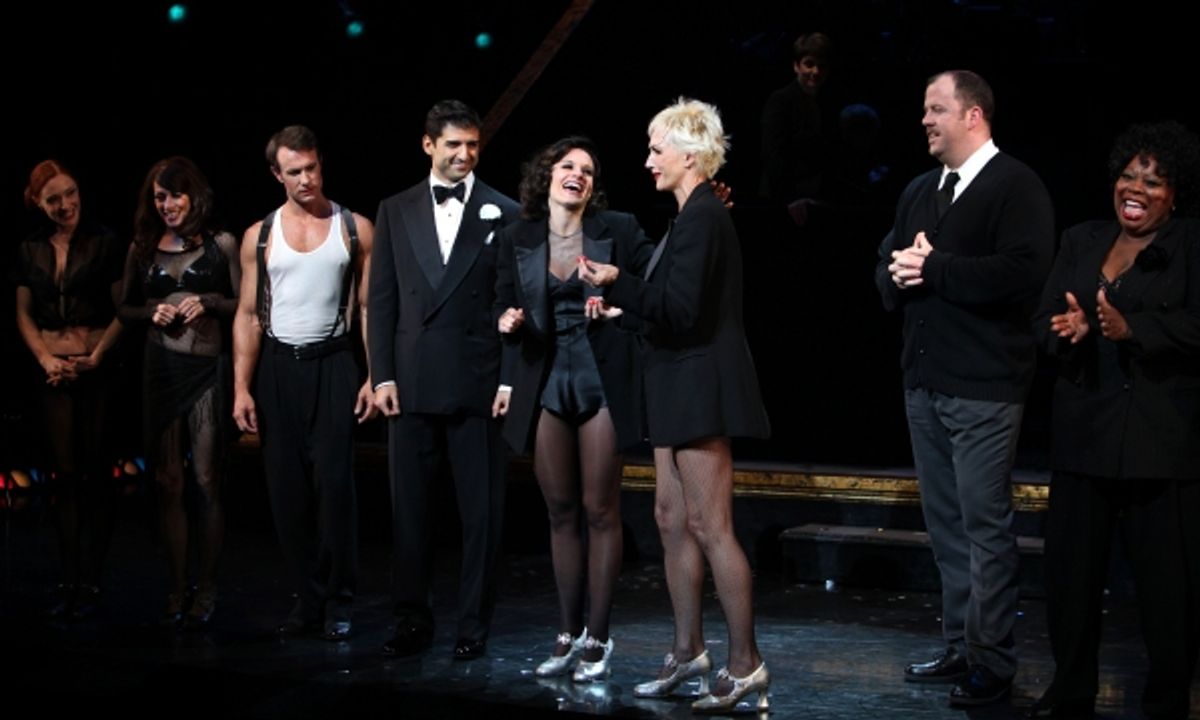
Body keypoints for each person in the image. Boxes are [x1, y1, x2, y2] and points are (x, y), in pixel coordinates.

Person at [578, 97, 772, 712]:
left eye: (657, 149)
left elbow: (684, 310)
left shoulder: (707, 216)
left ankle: (747, 664)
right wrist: (621, 305)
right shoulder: (689, 216)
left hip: (698, 388)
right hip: (671, 385)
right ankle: (688, 650)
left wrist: (617, 283)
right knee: (670, 517)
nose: (648, 160)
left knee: (710, 526)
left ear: (690, 155)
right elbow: (670, 300)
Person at [875, 70, 1054, 707]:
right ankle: (961, 644)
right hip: (924, 382)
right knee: (946, 525)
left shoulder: (1015, 185)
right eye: (925, 109)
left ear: (973, 115)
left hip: (984, 387)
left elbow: (1024, 271)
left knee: (984, 526)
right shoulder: (922, 190)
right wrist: (897, 274)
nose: (925, 120)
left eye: (937, 109)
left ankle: (993, 660)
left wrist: (935, 267)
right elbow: (886, 262)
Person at [1028, 121, 1200, 720]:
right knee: (1071, 580)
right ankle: (1071, 689)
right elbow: (1043, 318)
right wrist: (1068, 333)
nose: (1136, 188)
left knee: (1167, 589)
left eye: (1153, 181)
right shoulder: (1082, 240)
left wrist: (1136, 331)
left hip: (1160, 444)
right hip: (1083, 435)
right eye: (1129, 176)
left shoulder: (1192, 247)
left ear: (1174, 194)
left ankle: (1168, 698)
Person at [493, 137, 654, 681]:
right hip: (543, 381)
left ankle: (599, 637)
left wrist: (617, 303)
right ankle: (566, 632)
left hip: (598, 378)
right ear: (548, 174)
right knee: (559, 512)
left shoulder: (621, 230)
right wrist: (506, 322)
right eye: (567, 165)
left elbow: (654, 290)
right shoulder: (517, 235)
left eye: (587, 169)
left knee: (600, 510)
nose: (577, 175)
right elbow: (498, 300)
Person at [368, 99, 519, 661]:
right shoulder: (395, 208)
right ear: (428, 145)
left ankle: (472, 625)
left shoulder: (504, 212)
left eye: (472, 144)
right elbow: (380, 301)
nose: (464, 154)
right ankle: (411, 619)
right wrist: (381, 374)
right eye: (453, 144)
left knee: (481, 515)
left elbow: (513, 303)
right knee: (410, 511)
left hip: (476, 384)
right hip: (409, 384)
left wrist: (506, 381)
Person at [232, 125, 376, 641]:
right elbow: (248, 314)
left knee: (335, 488)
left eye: (312, 167)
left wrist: (374, 376)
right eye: (294, 172)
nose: (306, 179)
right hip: (276, 367)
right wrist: (241, 388)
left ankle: (340, 599)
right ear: (277, 175)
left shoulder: (354, 227)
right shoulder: (260, 235)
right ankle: (307, 599)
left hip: (333, 364)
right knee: (287, 492)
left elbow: (366, 309)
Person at [120, 157, 239, 628]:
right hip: (160, 370)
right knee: (167, 481)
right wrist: (152, 309)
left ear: (193, 195)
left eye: (174, 194)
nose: (166, 205)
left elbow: (245, 304)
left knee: (207, 481)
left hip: (207, 369)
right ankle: (176, 586)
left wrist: (209, 301)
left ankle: (207, 588)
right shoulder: (143, 247)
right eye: (158, 197)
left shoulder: (220, 244)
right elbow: (124, 308)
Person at [13, 160, 125, 620]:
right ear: (39, 204)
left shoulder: (105, 242)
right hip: (53, 371)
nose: (65, 205)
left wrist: (96, 358)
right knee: (63, 475)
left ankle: (94, 576)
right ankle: (71, 576)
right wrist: (45, 359)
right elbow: (22, 312)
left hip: (95, 366)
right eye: (54, 199)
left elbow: (124, 309)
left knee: (96, 472)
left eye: (70, 193)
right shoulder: (30, 248)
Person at [759, 32, 833, 206]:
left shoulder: (826, 103)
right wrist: (791, 198)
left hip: (812, 199)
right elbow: (772, 154)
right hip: (781, 201)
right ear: (796, 66)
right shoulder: (781, 100)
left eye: (821, 66)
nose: (815, 71)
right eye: (809, 64)